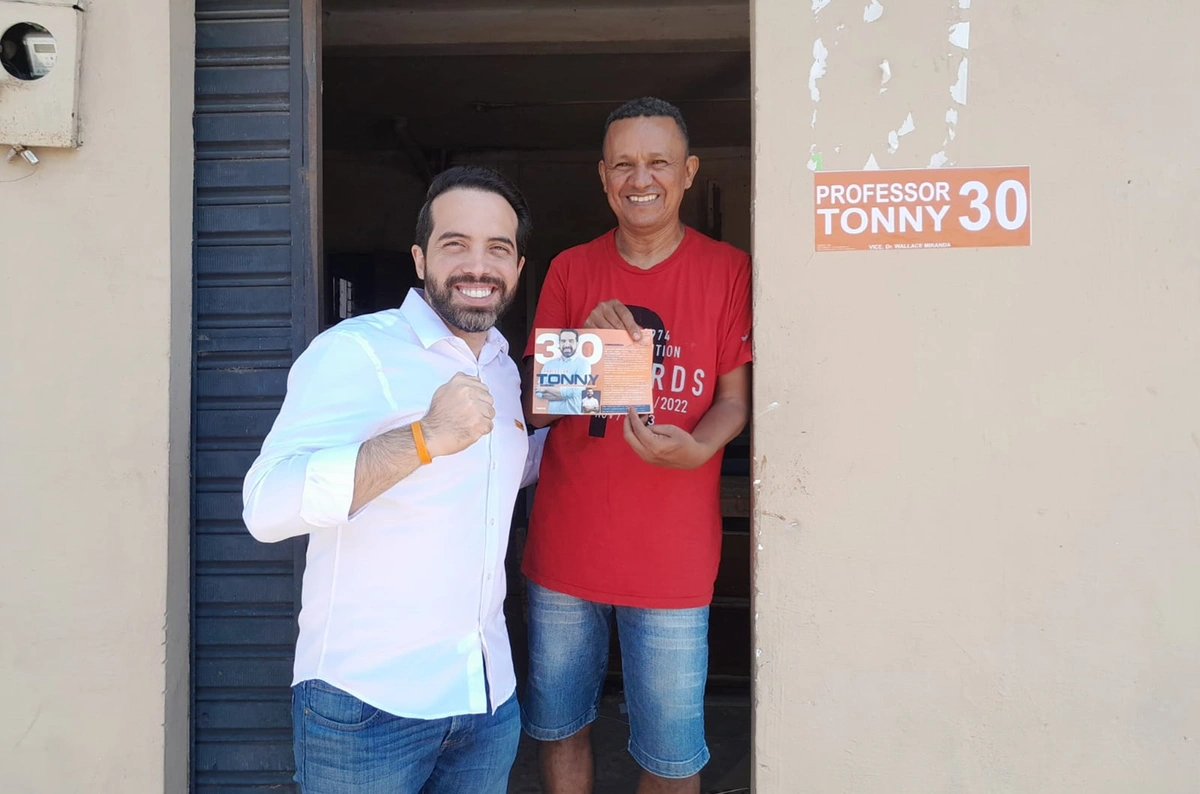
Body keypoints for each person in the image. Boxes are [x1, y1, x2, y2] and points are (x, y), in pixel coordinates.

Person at [242, 165, 542, 794]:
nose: (477, 266)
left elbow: (497, 479)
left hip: (486, 701)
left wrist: (597, 429)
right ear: (419, 258)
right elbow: (265, 506)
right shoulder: (355, 351)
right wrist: (422, 439)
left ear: (517, 267)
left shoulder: (502, 366)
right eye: (455, 244)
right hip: (367, 705)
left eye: (498, 249)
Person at [521, 98, 752, 794]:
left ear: (688, 173)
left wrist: (699, 447)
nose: (640, 178)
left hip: (673, 561)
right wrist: (587, 350)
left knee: (674, 760)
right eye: (624, 164)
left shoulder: (728, 270)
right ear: (602, 176)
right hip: (565, 552)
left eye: (657, 162)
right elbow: (531, 409)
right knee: (560, 732)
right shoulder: (569, 269)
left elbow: (734, 401)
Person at [533, 328, 593, 414]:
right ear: (559, 343)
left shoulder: (584, 364)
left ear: (577, 343)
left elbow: (574, 391)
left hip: (575, 416)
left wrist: (546, 388)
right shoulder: (549, 364)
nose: (566, 344)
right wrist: (564, 395)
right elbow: (538, 392)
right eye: (563, 341)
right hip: (552, 418)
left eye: (571, 341)